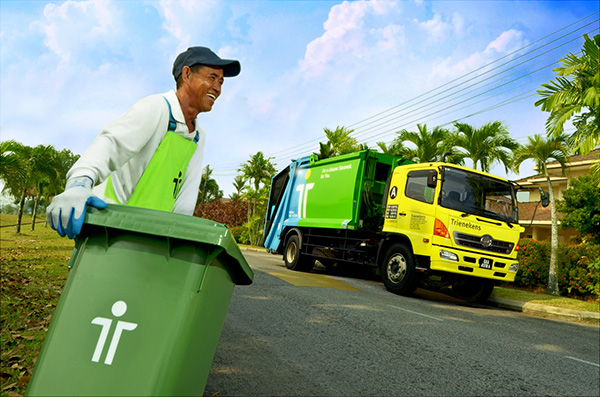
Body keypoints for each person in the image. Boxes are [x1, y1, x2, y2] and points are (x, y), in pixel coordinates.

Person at [47, 46, 241, 239]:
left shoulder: (198, 136)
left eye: (221, 82)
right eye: (212, 77)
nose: (218, 88)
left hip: (152, 235)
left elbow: (185, 200)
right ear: (187, 74)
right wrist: (79, 183)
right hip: (111, 227)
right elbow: (110, 144)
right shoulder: (157, 108)